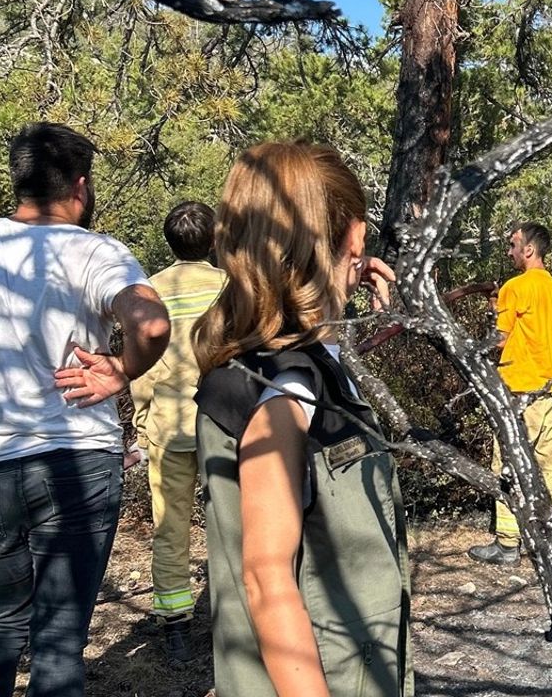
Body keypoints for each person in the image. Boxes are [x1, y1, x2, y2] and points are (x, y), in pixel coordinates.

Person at [192, 143, 411, 696]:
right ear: (354, 237)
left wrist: (342, 285)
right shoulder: (287, 387)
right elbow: (267, 580)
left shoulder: (257, 366)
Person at [0, 122, 171, 696]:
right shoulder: (97, 251)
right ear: (80, 186)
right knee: (60, 641)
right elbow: (151, 324)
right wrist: (123, 369)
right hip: (78, 460)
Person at [129, 201, 225, 661]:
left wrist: (141, 426)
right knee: (233, 525)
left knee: (170, 528)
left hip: (168, 428)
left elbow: (142, 371)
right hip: (225, 425)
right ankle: (236, 615)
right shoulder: (229, 286)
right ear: (214, 238)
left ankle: (176, 627)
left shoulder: (149, 292)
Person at [468, 222, 552, 565]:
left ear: (529, 249)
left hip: (518, 391)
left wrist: (490, 314)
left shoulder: (516, 287)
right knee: (549, 466)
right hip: (551, 391)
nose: (509, 251)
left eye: (513, 245)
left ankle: (508, 543)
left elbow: (499, 339)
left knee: (509, 465)